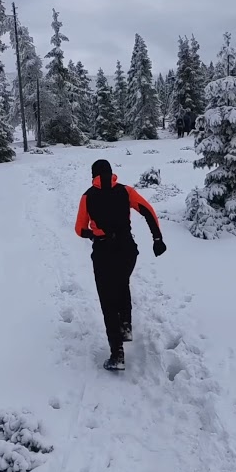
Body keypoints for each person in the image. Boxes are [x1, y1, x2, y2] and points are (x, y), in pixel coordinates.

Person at [74, 159, 166, 371]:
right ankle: (125, 325)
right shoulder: (126, 191)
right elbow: (148, 210)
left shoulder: (87, 196)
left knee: (108, 301)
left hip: (104, 252)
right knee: (121, 284)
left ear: (93, 175)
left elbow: (79, 229)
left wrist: (94, 234)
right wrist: (157, 238)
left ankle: (117, 354)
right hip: (127, 250)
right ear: (111, 173)